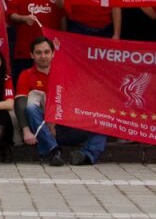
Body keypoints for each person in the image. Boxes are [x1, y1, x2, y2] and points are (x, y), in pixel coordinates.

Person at [15, 36, 106, 166]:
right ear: (32, 55)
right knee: (30, 108)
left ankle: (85, 156)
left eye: (46, 52)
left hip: (65, 126)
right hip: (41, 127)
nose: (43, 56)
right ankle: (54, 151)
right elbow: (20, 104)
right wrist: (26, 131)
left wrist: (57, 120)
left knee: (103, 121)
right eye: (38, 52)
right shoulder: (26, 75)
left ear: (53, 54)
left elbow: (76, 101)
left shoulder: (66, 72)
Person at [6, 0, 62, 78]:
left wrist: (62, 40)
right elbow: (10, 15)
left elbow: (62, 16)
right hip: (25, 49)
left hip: (50, 49)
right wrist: (24, 18)